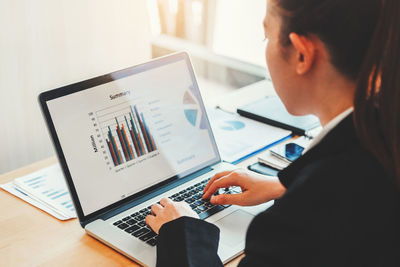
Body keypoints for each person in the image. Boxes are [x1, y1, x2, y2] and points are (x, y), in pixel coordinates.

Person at [145, 0, 400, 266]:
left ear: (302, 54)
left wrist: (183, 231)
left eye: (267, 35)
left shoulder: (299, 222)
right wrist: (283, 187)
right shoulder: (383, 138)